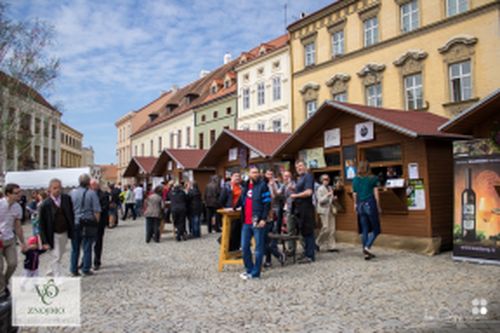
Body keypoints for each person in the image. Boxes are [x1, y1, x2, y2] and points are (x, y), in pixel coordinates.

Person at [238, 166, 271, 280]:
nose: (256, 174)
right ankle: (249, 269)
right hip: (246, 222)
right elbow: (243, 201)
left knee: (258, 248)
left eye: (257, 172)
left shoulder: (263, 185)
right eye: (253, 172)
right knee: (244, 246)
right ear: (249, 174)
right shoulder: (245, 186)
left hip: (258, 221)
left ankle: (256, 273)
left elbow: (267, 203)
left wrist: (263, 219)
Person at [39, 178, 75, 277]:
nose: (57, 190)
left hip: (64, 231)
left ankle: (50, 269)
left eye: (59, 188)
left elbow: (71, 214)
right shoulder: (45, 204)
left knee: (60, 253)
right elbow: (41, 224)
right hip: (53, 233)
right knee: (56, 256)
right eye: (55, 188)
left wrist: (72, 229)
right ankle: (58, 278)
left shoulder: (66, 199)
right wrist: (44, 241)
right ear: (50, 189)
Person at [70, 174, 101, 276]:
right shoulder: (92, 193)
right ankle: (86, 269)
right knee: (87, 247)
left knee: (75, 248)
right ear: (88, 183)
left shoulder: (72, 193)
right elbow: (96, 210)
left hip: (75, 223)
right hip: (88, 223)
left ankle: (73, 269)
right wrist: (96, 223)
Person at [0, 183, 27, 299]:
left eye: (19, 192)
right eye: (16, 193)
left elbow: (18, 227)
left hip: (10, 239)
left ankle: (4, 283)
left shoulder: (17, 207)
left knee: (13, 264)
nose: (19, 195)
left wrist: (23, 242)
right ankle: (1, 292)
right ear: (8, 194)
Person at [352, 161, 382, 260]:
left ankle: (365, 253)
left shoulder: (355, 180)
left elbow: (354, 194)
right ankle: (367, 247)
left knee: (364, 229)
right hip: (370, 204)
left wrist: (355, 205)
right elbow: (376, 193)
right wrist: (378, 206)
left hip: (360, 205)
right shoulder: (373, 178)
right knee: (376, 229)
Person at [290, 160, 316, 264]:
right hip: (300, 208)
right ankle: (306, 253)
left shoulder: (308, 176)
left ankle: (310, 255)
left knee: (308, 231)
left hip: (306, 207)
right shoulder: (300, 178)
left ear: (305, 166)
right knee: (304, 231)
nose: (299, 168)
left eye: (300, 166)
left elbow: (309, 192)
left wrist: (295, 195)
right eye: (297, 167)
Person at [264, 169, 285, 267]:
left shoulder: (275, 184)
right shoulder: (262, 184)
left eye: (271, 174)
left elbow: (275, 196)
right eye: (268, 173)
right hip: (264, 211)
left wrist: (273, 186)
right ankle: (275, 256)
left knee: (271, 236)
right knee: (264, 238)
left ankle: (272, 258)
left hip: (273, 211)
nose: (270, 175)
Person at [315, 174, 339, 253]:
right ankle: (317, 243)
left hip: (331, 209)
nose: (326, 180)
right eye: (325, 179)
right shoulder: (320, 189)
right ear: (321, 180)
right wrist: (327, 195)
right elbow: (320, 201)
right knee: (326, 228)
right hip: (323, 210)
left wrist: (333, 198)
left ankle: (331, 246)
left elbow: (330, 199)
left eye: (327, 179)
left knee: (332, 228)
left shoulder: (330, 188)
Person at [219, 172, 242, 250]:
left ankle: (236, 248)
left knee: (238, 230)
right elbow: (221, 200)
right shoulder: (227, 187)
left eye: (239, 176)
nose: (237, 178)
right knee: (231, 230)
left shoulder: (241, 187)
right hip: (230, 211)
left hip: (239, 211)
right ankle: (227, 246)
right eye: (236, 176)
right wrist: (226, 208)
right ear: (231, 177)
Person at [90, 179, 109, 270]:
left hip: (99, 223)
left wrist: (96, 212)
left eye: (93, 185)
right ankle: (86, 261)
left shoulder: (102, 195)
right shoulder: (88, 194)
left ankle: (97, 261)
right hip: (89, 222)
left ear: (97, 185)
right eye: (91, 185)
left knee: (98, 242)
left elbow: (105, 207)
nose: (92, 187)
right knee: (87, 243)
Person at [282, 171, 297, 256]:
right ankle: (291, 249)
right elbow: (278, 193)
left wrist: (294, 190)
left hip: (294, 209)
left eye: (288, 176)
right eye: (285, 176)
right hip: (287, 209)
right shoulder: (284, 186)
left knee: (296, 230)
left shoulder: (294, 185)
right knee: (289, 229)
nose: (286, 178)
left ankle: (307, 249)